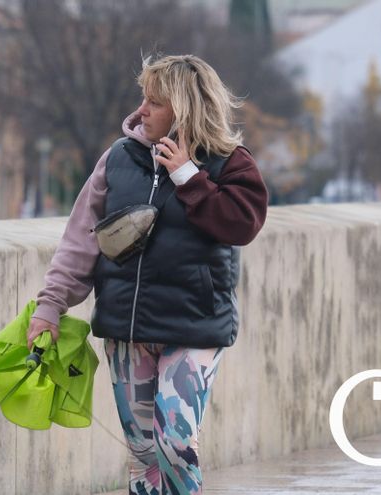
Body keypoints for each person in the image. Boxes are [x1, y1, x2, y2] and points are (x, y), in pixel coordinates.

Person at [27, 54, 269, 495]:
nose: (141, 111)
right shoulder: (120, 158)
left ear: (185, 108)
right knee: (143, 456)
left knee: (175, 444)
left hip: (194, 327)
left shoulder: (230, 163)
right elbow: (81, 238)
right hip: (129, 327)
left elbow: (243, 225)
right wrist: (50, 307)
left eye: (154, 102)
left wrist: (188, 177)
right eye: (144, 99)